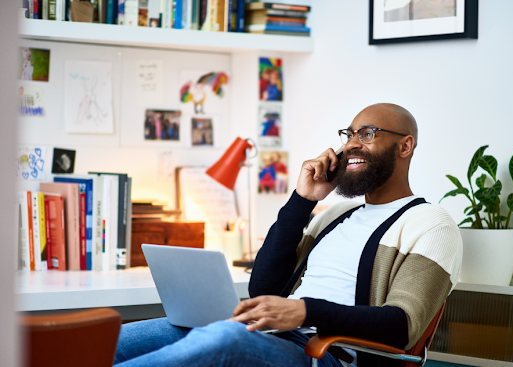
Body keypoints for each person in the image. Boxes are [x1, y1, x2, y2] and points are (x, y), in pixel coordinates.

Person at [113, 103, 462, 367]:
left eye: (368, 134)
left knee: (223, 337)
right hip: (274, 335)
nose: (352, 144)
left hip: (327, 354)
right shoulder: (336, 214)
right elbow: (263, 288)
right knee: (117, 337)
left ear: (405, 147)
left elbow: (402, 325)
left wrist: (305, 312)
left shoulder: (431, 224)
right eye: (349, 134)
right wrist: (302, 200)